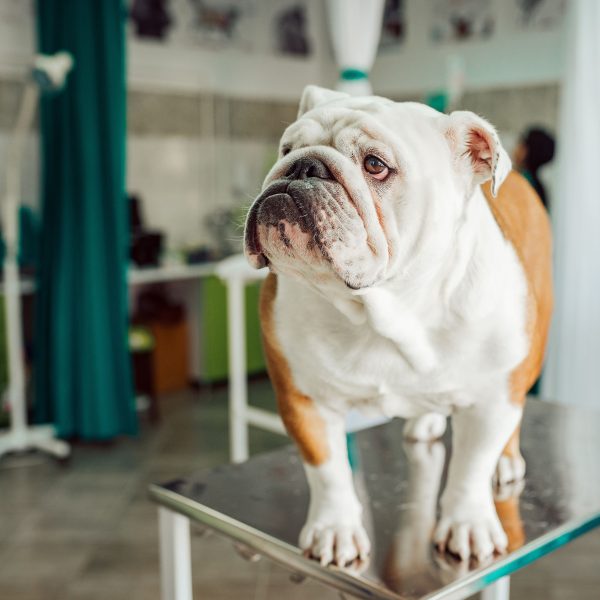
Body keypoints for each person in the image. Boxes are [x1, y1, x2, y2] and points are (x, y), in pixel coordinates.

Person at [512, 127, 556, 209]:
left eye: (521, 144)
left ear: (526, 152)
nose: (516, 147)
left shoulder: (518, 181)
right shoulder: (539, 188)